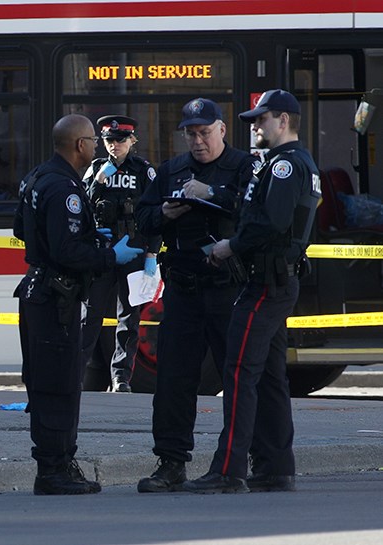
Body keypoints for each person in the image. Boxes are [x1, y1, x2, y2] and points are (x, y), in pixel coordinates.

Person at [184, 90, 320, 493]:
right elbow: (256, 211)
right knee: (271, 376)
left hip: (265, 284)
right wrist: (215, 198)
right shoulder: (291, 162)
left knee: (240, 371)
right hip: (276, 281)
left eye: (261, 119)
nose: (256, 126)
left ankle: (228, 470)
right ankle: (276, 467)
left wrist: (230, 246)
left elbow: (270, 223)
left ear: (283, 120)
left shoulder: (284, 165)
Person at [13, 114, 143, 495]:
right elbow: (66, 251)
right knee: (60, 385)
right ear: (80, 145)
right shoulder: (64, 188)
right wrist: (109, 255)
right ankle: (54, 470)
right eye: (93, 141)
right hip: (57, 298)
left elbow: (21, 229)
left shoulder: (38, 177)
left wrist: (87, 234)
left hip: (39, 292)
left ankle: (57, 464)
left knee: (46, 383)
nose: (97, 146)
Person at [134, 98, 257, 492]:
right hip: (183, 290)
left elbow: (257, 215)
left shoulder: (243, 167)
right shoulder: (171, 170)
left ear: (222, 129)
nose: (198, 140)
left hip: (227, 289)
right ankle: (171, 463)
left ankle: (240, 461)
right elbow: (142, 218)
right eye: (191, 133)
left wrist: (213, 193)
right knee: (173, 380)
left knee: (237, 379)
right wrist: (163, 214)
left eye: (205, 132)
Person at [81, 115, 160, 393]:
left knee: (129, 317)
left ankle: (121, 377)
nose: (114, 145)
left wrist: (152, 254)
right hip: (103, 252)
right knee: (90, 315)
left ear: (132, 140)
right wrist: (98, 181)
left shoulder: (143, 171)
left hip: (134, 251)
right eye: (109, 140)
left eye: (120, 139)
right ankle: (77, 371)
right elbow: (81, 207)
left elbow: (155, 215)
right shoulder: (95, 169)